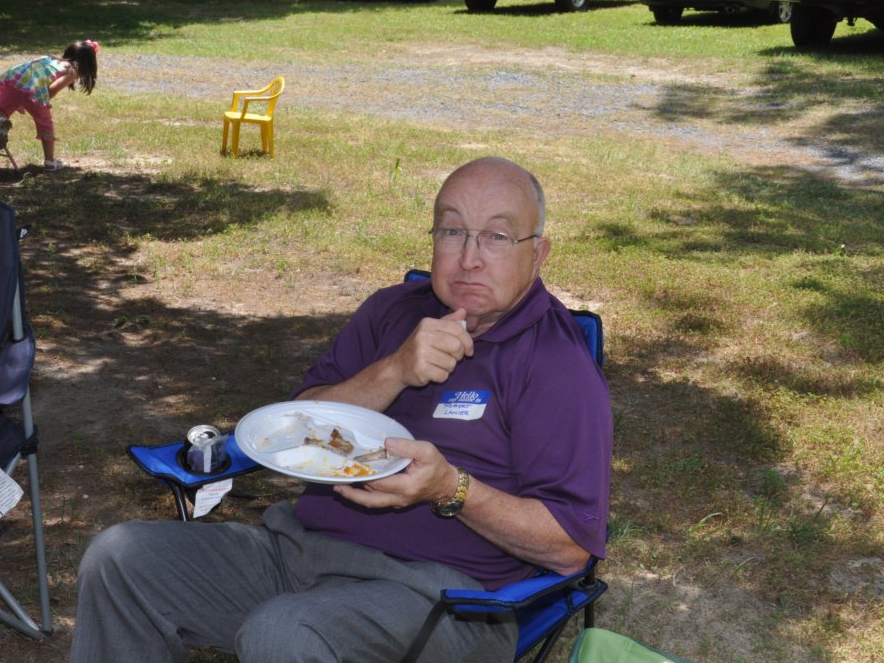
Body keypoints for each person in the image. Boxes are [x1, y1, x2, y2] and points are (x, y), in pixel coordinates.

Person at [69, 157, 613, 663]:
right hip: (298, 553)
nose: (469, 258)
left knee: (284, 632)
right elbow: (294, 425)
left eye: (496, 237)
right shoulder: (390, 312)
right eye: (452, 231)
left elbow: (569, 548)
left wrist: (451, 488)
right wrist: (394, 369)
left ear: (537, 254)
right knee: (121, 559)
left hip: (446, 598)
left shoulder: (554, 363)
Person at [0, 39, 99, 172]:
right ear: (88, 62)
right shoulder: (72, 70)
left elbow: (26, 69)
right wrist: (40, 101)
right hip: (35, 89)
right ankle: (50, 161)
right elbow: (52, 89)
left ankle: (1, 121)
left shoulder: (48, 58)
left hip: (15, 81)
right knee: (45, 124)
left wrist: (18, 100)